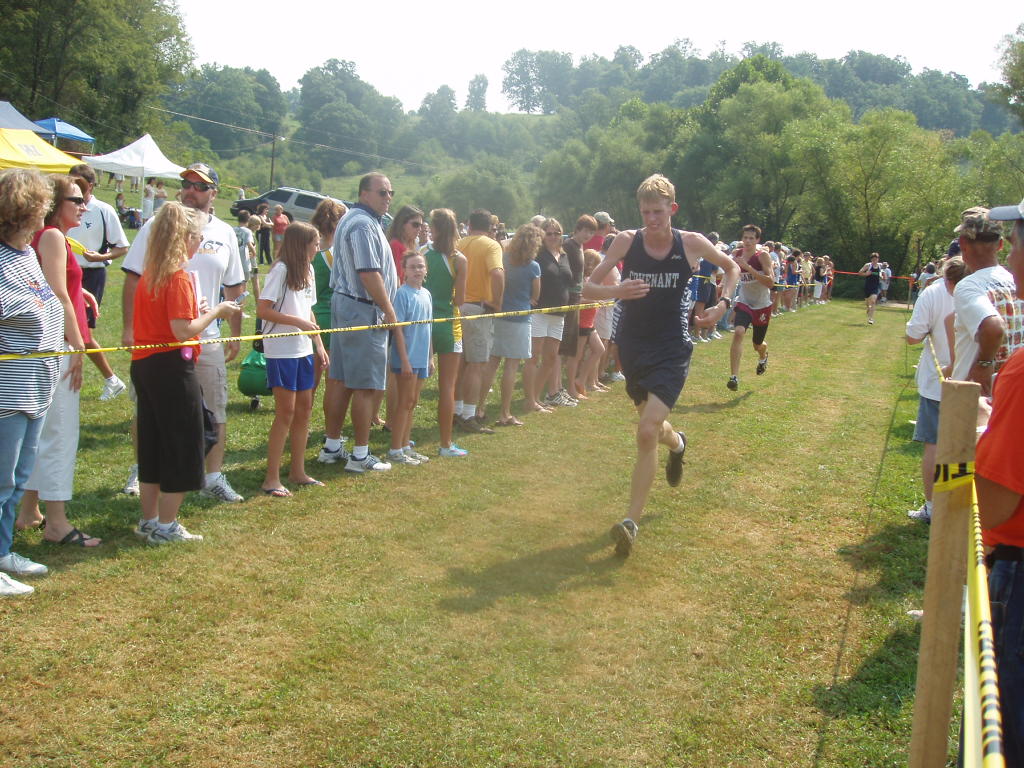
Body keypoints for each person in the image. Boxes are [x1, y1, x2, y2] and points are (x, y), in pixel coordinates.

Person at [583, 174, 738, 557]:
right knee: (652, 429)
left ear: (673, 208)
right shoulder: (626, 241)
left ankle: (630, 522)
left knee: (646, 429)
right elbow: (587, 288)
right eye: (645, 212)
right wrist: (617, 290)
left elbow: (731, 268)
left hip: (671, 347)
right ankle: (678, 443)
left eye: (658, 212)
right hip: (634, 346)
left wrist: (723, 304)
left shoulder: (691, 243)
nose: (652, 219)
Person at [122, 162, 247, 503]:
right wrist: (129, 328)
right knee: (150, 411)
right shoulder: (157, 224)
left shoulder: (225, 232)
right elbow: (133, 276)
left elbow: (235, 286)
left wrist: (234, 334)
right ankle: (143, 469)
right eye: (187, 184)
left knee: (214, 408)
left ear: (213, 193)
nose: (191, 190)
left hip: (206, 338)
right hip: (160, 342)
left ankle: (213, 476)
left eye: (200, 186)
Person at [17, 175, 102, 548]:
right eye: (76, 200)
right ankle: (57, 522)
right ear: (54, 204)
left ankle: (28, 511)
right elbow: (55, 292)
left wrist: (80, 290)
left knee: (44, 431)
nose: (84, 206)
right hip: (60, 344)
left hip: (51, 343)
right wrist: (79, 344)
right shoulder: (51, 235)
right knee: (61, 434)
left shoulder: (51, 237)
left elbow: (59, 284)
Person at [975, 194, 1024, 763]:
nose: (1009, 258)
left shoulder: (1022, 369)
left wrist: (976, 447)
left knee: (1000, 736)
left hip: (1016, 566)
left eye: (1015, 243)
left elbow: (995, 503)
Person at [0, 168, 64, 595]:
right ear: (25, 209)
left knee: (18, 478)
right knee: (1, 479)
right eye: (43, 205)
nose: (47, 212)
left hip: (36, 387)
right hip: (8, 391)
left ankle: (3, 551)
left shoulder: (25, 253)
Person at [324, 172, 399, 473]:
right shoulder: (363, 224)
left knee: (341, 380)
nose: (388, 197)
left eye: (391, 192)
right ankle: (359, 455)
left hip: (349, 304)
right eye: (382, 192)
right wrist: (389, 309)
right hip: (362, 308)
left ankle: (332, 447)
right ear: (364, 193)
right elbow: (368, 272)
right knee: (365, 385)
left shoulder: (358, 220)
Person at [257, 222, 328, 497]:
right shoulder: (281, 270)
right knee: (285, 412)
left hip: (303, 349)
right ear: (302, 244)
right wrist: (297, 322)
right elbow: (263, 310)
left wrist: (318, 344)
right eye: (315, 243)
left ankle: (298, 471)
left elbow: (308, 311)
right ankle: (271, 478)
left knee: (304, 410)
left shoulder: (309, 270)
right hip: (281, 349)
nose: (318, 248)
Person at [904, 256, 966, 523]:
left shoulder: (933, 293)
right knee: (962, 446)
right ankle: (954, 505)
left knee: (934, 443)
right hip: (970, 383)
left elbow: (912, 336)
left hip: (941, 382)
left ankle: (934, 507)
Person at [66, 164, 129, 401]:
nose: (74, 186)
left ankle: (111, 379)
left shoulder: (103, 210)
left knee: (83, 333)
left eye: (79, 183)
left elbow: (122, 247)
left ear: (90, 186)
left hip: (92, 274)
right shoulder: (63, 207)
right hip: (65, 272)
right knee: (66, 331)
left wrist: (100, 257)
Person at [950, 207, 1022, 396]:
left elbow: (993, 327)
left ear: (962, 243)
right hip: (1009, 388)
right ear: (1000, 245)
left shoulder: (969, 286)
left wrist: (983, 364)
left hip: (973, 394)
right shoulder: (1015, 280)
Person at [421, 208, 468, 457]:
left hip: (423, 323)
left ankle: (402, 441)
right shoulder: (459, 259)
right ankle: (445, 444)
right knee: (447, 387)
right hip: (449, 324)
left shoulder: (422, 253)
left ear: (435, 228)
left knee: (414, 386)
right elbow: (459, 299)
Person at [455, 209, 504, 433]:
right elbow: (497, 273)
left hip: (457, 308)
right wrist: (497, 302)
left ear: (469, 225)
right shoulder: (491, 245)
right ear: (489, 226)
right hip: (478, 308)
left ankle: (456, 411)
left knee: (460, 364)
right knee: (476, 365)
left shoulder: (458, 243)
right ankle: (468, 415)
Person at [491, 223, 542, 425]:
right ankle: (504, 412)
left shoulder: (503, 259)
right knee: (511, 366)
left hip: (499, 314)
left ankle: (478, 408)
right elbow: (536, 294)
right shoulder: (533, 267)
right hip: (520, 318)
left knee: (492, 362)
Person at [386, 251, 433, 465]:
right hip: (407, 358)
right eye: (412, 267)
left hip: (422, 357)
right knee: (404, 402)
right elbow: (398, 329)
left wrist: (430, 357)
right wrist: (404, 360)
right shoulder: (401, 294)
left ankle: (405, 444)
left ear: (426, 270)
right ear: (404, 270)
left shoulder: (427, 294)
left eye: (420, 266)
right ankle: (395, 449)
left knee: (412, 401)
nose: (417, 270)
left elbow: (428, 328)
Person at [525, 218, 574, 410]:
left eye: (557, 233)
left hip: (559, 314)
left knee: (551, 358)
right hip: (540, 311)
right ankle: (530, 401)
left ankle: (536, 398)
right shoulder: (537, 255)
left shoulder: (564, 255)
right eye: (549, 233)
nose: (553, 236)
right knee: (534, 356)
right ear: (542, 235)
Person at [727, 224, 774, 392]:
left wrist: (748, 268)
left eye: (751, 238)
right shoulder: (736, 254)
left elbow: (770, 282)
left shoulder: (763, 256)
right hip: (744, 302)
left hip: (762, 305)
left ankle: (763, 356)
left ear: (757, 240)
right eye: (745, 237)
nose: (747, 241)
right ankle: (734, 377)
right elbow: (728, 273)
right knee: (739, 332)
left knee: (758, 344)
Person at [309, 198, 347, 398]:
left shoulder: (310, 251)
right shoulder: (336, 253)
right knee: (333, 380)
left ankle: (302, 417)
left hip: (310, 317)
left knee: (310, 381)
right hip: (331, 317)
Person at [558, 215, 597, 400]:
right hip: (569, 301)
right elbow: (564, 275)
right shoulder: (569, 246)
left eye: (591, 232)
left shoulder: (579, 247)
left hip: (576, 300)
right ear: (577, 229)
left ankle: (566, 388)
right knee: (564, 349)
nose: (588, 235)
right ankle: (561, 389)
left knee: (570, 349)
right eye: (586, 230)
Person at [573, 249, 608, 396]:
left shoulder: (588, 279)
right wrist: (593, 300)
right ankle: (574, 384)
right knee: (577, 355)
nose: (591, 267)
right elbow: (576, 300)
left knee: (599, 349)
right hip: (581, 321)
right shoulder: (578, 279)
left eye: (594, 264)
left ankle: (582, 380)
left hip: (589, 322)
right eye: (589, 263)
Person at [388, 205, 424, 282]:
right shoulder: (396, 245)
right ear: (402, 224)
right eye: (415, 225)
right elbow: (396, 278)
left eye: (420, 225)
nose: (419, 229)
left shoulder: (411, 245)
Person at [858, 252, 883, 324]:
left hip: (876, 286)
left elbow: (883, 272)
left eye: (876, 259)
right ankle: (868, 308)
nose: (875, 261)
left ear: (878, 259)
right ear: (871, 259)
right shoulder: (868, 265)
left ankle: (871, 319)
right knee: (868, 303)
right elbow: (859, 273)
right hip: (867, 286)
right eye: (873, 259)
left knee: (873, 301)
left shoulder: (880, 266)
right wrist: (866, 274)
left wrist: (881, 276)